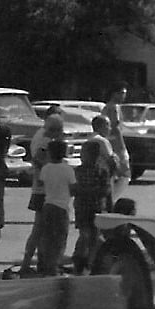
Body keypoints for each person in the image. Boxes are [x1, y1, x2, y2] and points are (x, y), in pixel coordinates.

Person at [18, 109, 65, 274]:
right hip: (44, 191)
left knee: (42, 231)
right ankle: (27, 264)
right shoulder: (44, 142)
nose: (62, 133)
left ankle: (40, 263)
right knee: (40, 230)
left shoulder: (43, 138)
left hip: (42, 189)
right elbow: (40, 161)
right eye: (60, 130)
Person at [71, 137, 113, 274]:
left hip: (97, 208)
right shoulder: (78, 171)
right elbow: (73, 189)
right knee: (84, 235)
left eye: (85, 154)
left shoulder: (102, 171)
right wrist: (91, 191)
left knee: (95, 236)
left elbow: (106, 190)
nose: (82, 157)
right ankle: (79, 260)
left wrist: (109, 208)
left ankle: (91, 263)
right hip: (82, 208)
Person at [35, 139, 76, 275]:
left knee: (47, 236)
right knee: (59, 238)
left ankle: (45, 265)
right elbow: (73, 188)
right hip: (62, 207)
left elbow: (40, 183)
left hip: (48, 205)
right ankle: (54, 266)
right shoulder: (68, 169)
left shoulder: (46, 168)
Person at [101, 82, 132, 204]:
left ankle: (109, 200)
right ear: (115, 93)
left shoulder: (106, 107)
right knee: (125, 174)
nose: (124, 96)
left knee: (112, 175)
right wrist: (123, 148)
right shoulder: (113, 108)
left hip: (109, 145)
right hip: (115, 146)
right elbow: (116, 128)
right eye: (122, 93)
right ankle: (114, 199)